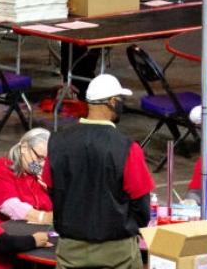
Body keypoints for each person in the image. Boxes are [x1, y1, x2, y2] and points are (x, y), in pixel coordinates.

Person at [44, 73, 154, 269]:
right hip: (118, 251)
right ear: (112, 101)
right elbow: (141, 204)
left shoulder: (56, 142)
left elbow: (51, 188)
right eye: (120, 100)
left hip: (71, 249)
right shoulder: (127, 148)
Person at [0, 128, 53, 223]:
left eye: (47, 160)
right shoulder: (1, 167)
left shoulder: (39, 172)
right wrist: (43, 217)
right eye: (39, 157)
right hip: (2, 229)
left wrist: (52, 191)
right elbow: (10, 206)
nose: (42, 164)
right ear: (24, 147)